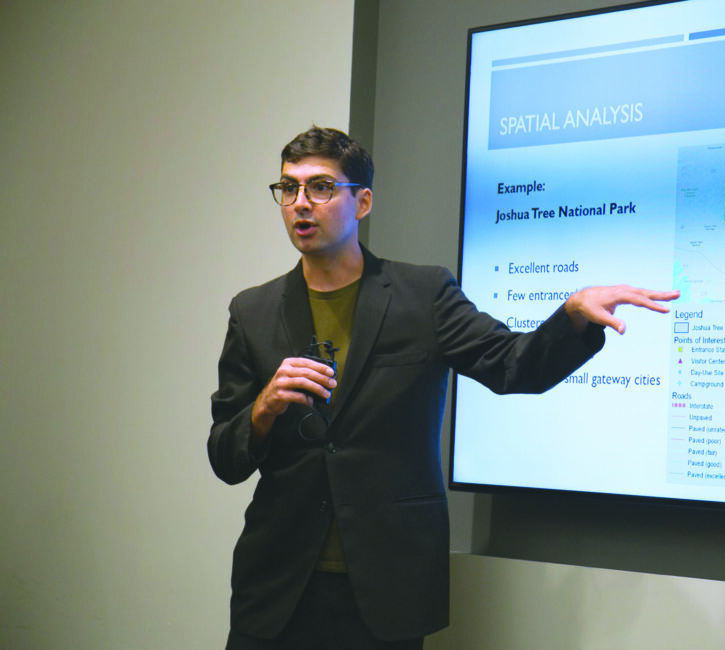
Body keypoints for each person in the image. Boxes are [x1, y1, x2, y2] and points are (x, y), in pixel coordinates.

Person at [208, 126, 679, 649]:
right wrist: (263, 409)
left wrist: (570, 317)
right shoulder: (252, 311)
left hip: (385, 589)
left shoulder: (422, 295)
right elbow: (225, 457)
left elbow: (511, 364)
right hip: (278, 589)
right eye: (288, 188)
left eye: (320, 187)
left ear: (361, 202)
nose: (301, 203)